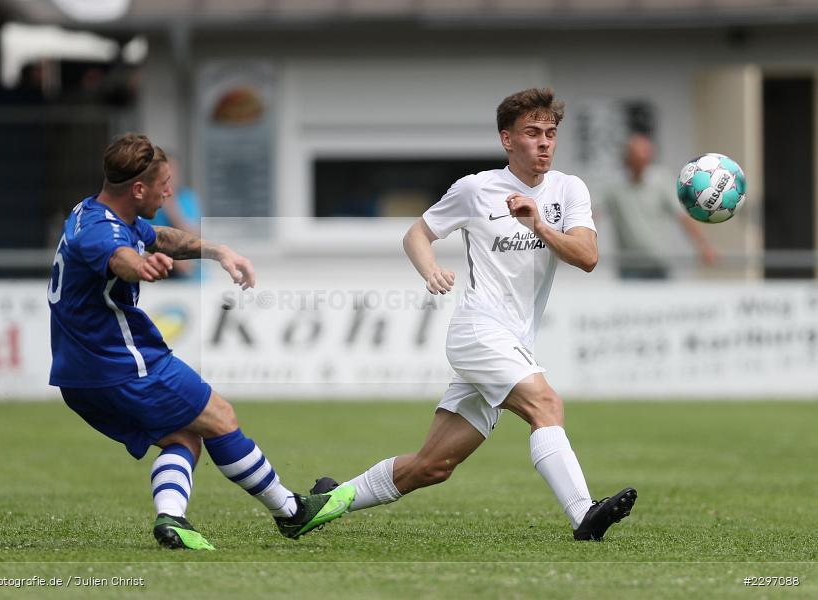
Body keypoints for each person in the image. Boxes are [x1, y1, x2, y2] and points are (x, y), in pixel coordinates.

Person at [311, 89, 636, 541]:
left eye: (550, 133)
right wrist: (430, 270)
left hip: (515, 341)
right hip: (478, 331)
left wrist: (539, 224)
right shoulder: (476, 188)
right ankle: (584, 515)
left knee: (432, 465)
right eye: (532, 133)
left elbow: (587, 256)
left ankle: (323, 503)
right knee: (547, 405)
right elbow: (417, 234)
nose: (544, 142)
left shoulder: (569, 189)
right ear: (507, 139)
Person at [47, 133, 354, 550]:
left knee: (183, 438)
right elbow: (122, 258)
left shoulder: (92, 212)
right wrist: (142, 266)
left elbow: (160, 239)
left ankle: (172, 519)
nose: (170, 191)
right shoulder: (104, 236)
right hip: (124, 365)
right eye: (164, 184)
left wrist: (218, 251)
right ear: (139, 189)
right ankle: (292, 512)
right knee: (221, 417)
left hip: (79, 375)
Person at [601, 133, 718, 279]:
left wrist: (703, 246)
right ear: (627, 160)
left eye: (646, 158)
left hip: (660, 263)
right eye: (637, 158)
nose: (642, 162)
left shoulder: (662, 180)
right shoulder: (614, 186)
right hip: (629, 264)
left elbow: (682, 216)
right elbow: (594, 214)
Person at [146, 153, 203, 280]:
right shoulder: (147, 203)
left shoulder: (187, 198)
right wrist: (172, 259)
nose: (170, 177)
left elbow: (194, 236)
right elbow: (140, 243)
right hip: (157, 277)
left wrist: (171, 207)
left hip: (191, 278)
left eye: (173, 171)